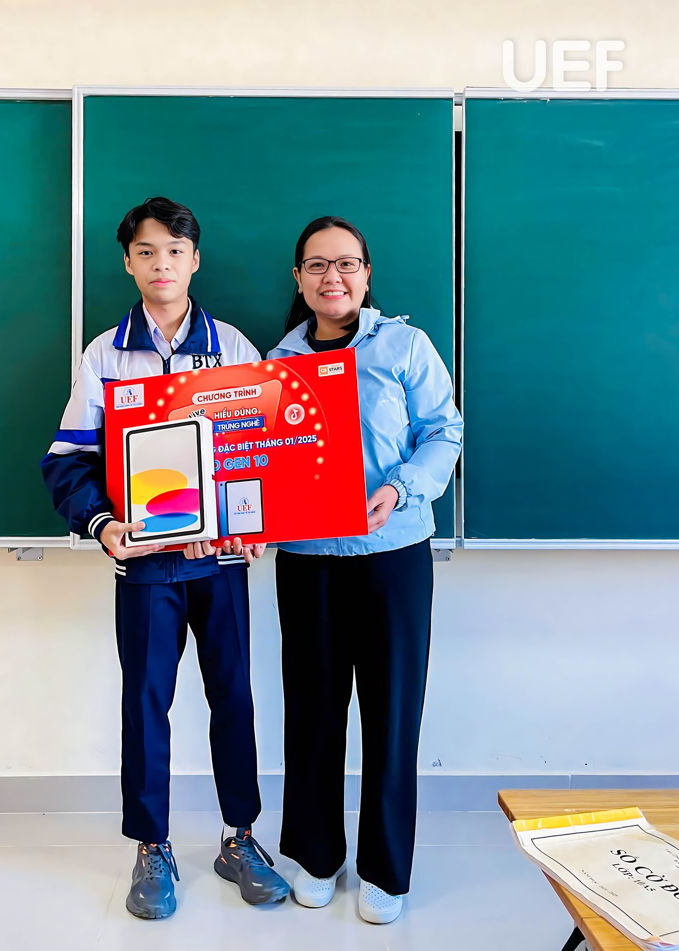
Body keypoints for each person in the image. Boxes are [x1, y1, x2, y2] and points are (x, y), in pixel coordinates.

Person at [41, 197, 289, 920]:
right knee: (147, 705)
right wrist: (102, 523)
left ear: (195, 259)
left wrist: (254, 525)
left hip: (222, 565)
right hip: (146, 567)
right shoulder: (104, 354)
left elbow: (264, 455)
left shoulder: (234, 347)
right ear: (128, 262)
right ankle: (152, 845)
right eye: (147, 252)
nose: (162, 264)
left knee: (233, 698)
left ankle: (239, 837)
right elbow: (66, 459)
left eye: (175, 251)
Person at [267, 216, 462, 924]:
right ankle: (316, 855)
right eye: (318, 265)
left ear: (366, 273)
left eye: (346, 263)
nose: (333, 277)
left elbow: (444, 431)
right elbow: (257, 459)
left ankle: (385, 868)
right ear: (299, 279)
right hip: (308, 561)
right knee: (312, 714)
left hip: (394, 557)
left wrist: (402, 488)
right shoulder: (276, 363)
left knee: (392, 714)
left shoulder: (405, 346)